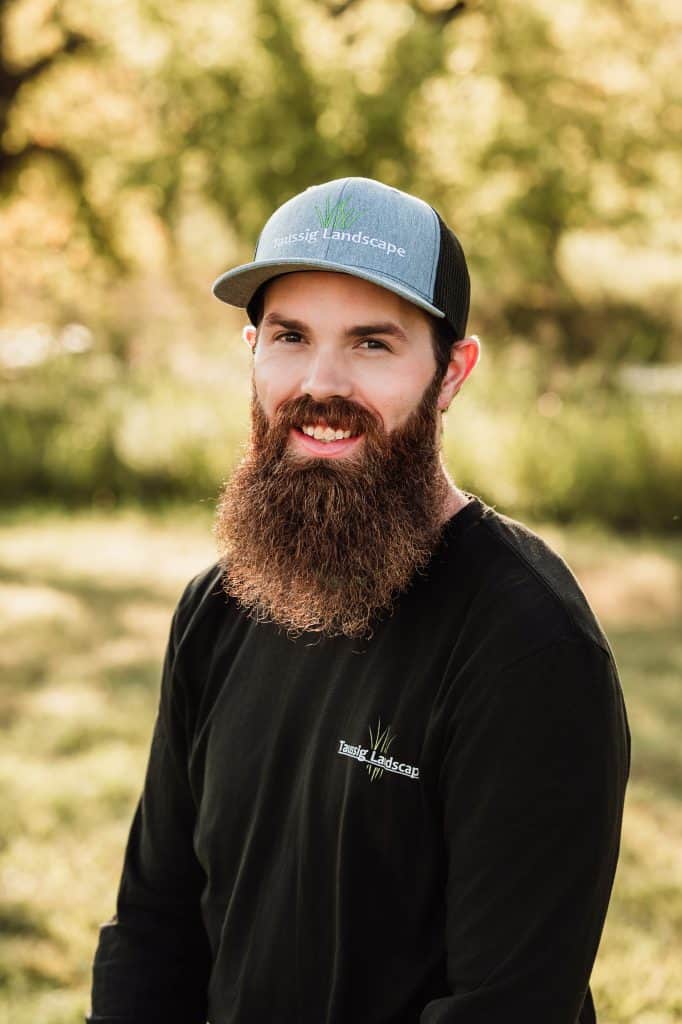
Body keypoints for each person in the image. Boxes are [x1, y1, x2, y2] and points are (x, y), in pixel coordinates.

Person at [87, 177, 630, 1024]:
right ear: (252, 351)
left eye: (372, 344)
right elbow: (154, 929)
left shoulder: (528, 646)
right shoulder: (217, 608)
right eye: (290, 336)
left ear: (451, 373)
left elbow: (507, 1006)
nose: (320, 383)